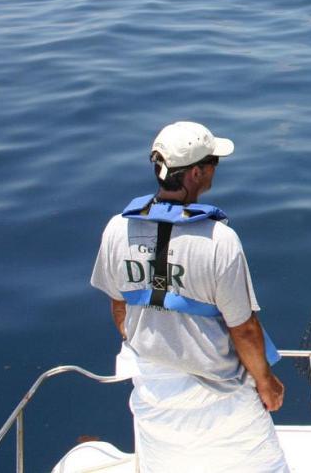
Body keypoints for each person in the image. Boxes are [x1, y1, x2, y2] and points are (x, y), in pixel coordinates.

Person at [91, 121, 290, 472]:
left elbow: (119, 305)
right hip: (222, 396)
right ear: (196, 173)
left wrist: (153, 347)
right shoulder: (220, 241)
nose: (215, 169)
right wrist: (266, 383)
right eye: (213, 162)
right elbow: (243, 329)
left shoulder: (116, 229)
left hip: (154, 391)